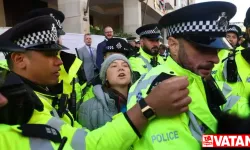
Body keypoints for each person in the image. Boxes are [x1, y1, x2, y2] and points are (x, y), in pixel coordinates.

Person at [0, 15, 192, 149]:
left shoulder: (42, 95)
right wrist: (148, 107)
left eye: (58, 53)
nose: (59, 61)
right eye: (50, 55)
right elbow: (89, 145)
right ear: (19, 60)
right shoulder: (19, 107)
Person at [127, 2, 247, 150]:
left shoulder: (197, 75)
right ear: (173, 45)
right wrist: (241, 141)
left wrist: (241, 140)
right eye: (203, 49)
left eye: (216, 50)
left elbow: (233, 104)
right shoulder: (157, 89)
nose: (215, 60)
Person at [79, 54, 132, 130]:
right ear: (105, 76)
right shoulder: (88, 107)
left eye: (125, 66)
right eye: (114, 66)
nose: (121, 68)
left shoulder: (142, 99)